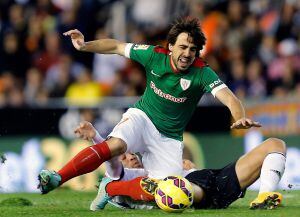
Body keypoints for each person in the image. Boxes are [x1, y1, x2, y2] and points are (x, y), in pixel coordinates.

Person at [38, 18, 261, 194]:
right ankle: (58, 177)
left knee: (169, 190)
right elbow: (116, 46)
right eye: (182, 47)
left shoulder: (202, 72)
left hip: (169, 139)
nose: (187, 54)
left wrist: (239, 116)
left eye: (193, 49)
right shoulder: (153, 55)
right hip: (142, 118)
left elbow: (231, 98)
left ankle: (111, 189)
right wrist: (84, 46)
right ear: (171, 46)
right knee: (116, 145)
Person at [90, 137, 286, 210]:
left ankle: (264, 196)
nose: (131, 158)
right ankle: (183, 188)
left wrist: (184, 169)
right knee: (171, 188)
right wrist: (94, 138)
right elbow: (110, 157)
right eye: (124, 158)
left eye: (132, 154)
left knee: (274, 144)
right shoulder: (125, 176)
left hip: (215, 181)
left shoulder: (152, 167)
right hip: (190, 192)